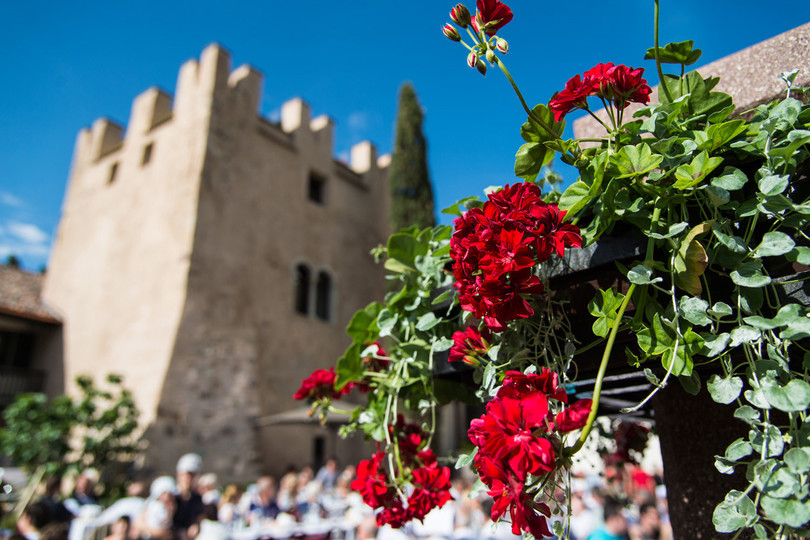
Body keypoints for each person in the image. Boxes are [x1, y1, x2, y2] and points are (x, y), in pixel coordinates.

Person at [172, 454, 205, 540]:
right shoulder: (171, 496)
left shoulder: (197, 499)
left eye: (192, 475)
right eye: (187, 475)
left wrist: (196, 526)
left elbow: (199, 517)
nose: (189, 479)